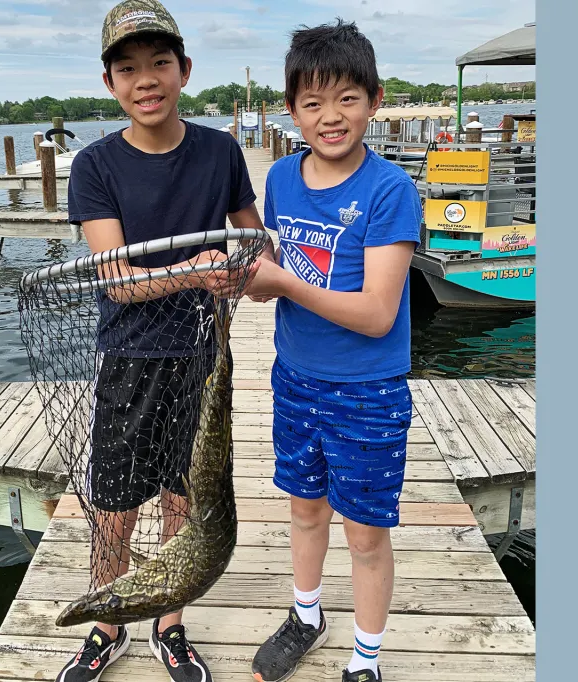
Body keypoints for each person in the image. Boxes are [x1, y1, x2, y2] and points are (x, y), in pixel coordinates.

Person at [55, 3, 265, 682]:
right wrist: (197, 270)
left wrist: (254, 269)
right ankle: (106, 623)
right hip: (129, 358)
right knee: (114, 503)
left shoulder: (221, 151)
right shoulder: (94, 165)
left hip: (203, 357)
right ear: (111, 83)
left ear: (184, 71)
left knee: (186, 495)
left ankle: (168, 620)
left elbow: (251, 234)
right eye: (128, 68)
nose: (145, 79)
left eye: (159, 64)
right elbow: (117, 280)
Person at [243, 19, 423, 682]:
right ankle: (307, 615)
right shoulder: (283, 180)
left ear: (375, 101)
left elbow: (378, 314)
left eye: (347, 98)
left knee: (367, 534)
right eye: (312, 103)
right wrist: (246, 276)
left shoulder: (389, 191)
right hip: (294, 379)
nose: (330, 116)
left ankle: (366, 660)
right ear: (290, 112)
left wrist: (283, 280)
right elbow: (278, 278)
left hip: (367, 391)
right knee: (304, 508)